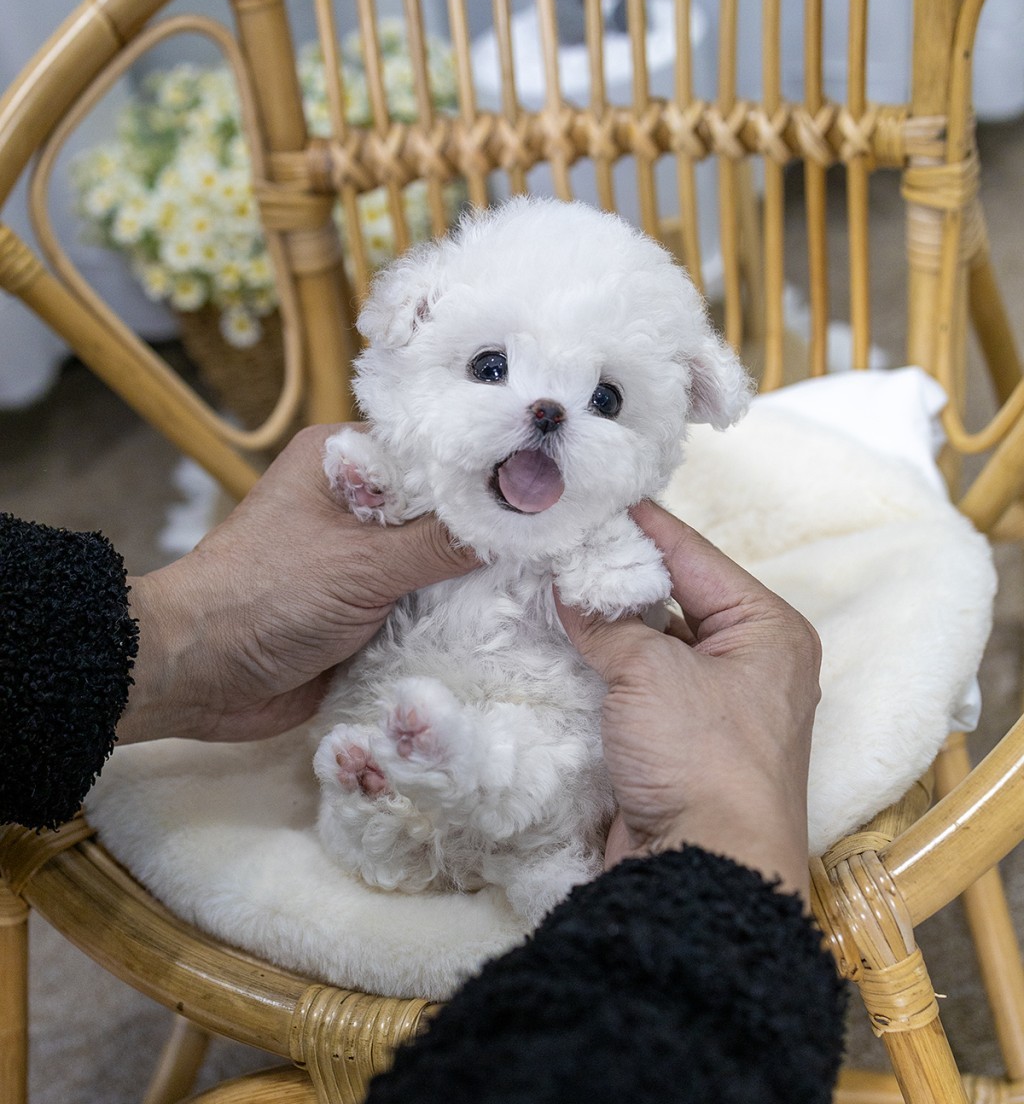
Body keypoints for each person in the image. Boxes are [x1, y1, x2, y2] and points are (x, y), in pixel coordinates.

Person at [1, 425, 844, 1102]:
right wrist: (725, 831)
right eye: (488, 369)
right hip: (603, 867)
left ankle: (456, 778)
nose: (544, 413)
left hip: (553, 756)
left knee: (527, 761)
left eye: (604, 396)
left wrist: (171, 637)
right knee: (408, 765)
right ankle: (420, 782)